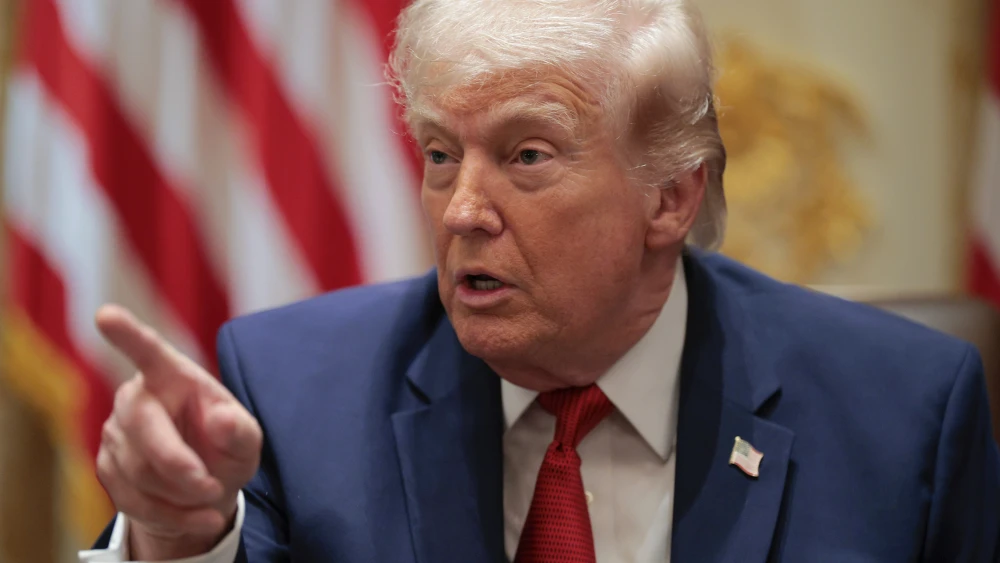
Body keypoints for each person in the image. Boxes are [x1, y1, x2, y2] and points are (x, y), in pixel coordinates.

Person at [79, 0, 1000, 561]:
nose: (460, 210)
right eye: (441, 154)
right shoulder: (289, 387)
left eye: (526, 155)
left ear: (671, 198)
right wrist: (178, 536)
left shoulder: (905, 410)